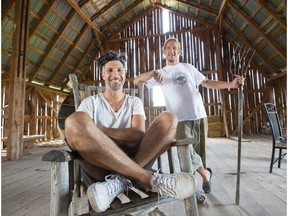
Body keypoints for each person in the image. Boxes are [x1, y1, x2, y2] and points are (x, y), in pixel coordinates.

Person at [64, 50, 197, 213]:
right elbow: (81, 131)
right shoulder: (90, 103)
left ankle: (119, 182)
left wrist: (100, 131)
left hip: (135, 158)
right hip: (99, 166)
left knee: (169, 119)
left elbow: (137, 135)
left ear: (125, 74)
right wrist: (119, 138)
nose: (115, 74)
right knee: (74, 121)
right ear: (103, 75)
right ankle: (148, 178)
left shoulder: (134, 102)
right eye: (110, 70)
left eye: (119, 70)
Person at [133, 37, 245, 203]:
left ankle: (199, 182)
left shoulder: (188, 67)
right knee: (187, 153)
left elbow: (207, 82)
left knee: (199, 153)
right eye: (168, 48)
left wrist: (232, 84)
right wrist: (152, 73)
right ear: (164, 53)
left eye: (174, 48)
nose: (171, 51)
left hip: (199, 115)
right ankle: (201, 178)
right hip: (179, 119)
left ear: (179, 51)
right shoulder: (161, 73)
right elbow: (137, 81)